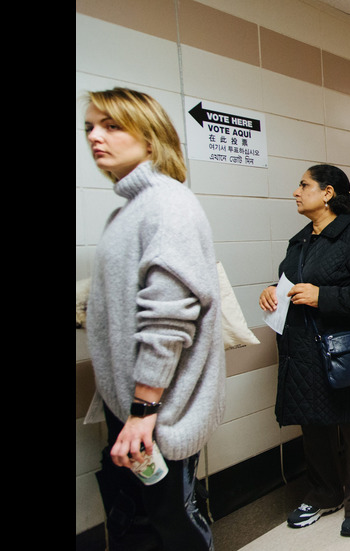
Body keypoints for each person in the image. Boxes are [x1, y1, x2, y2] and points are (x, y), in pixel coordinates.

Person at [84, 87, 224, 550]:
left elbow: (169, 320)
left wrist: (144, 410)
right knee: (148, 524)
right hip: (135, 407)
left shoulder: (168, 203)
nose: (95, 137)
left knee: (174, 525)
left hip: (157, 408)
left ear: (150, 139)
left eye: (111, 125)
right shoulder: (127, 211)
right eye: (89, 127)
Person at [259, 165, 350, 537]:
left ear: (328, 193)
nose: (296, 192)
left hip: (343, 349)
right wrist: (273, 290)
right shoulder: (300, 240)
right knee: (314, 423)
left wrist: (322, 296)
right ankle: (325, 492)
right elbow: (291, 280)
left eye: (303, 185)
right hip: (303, 350)